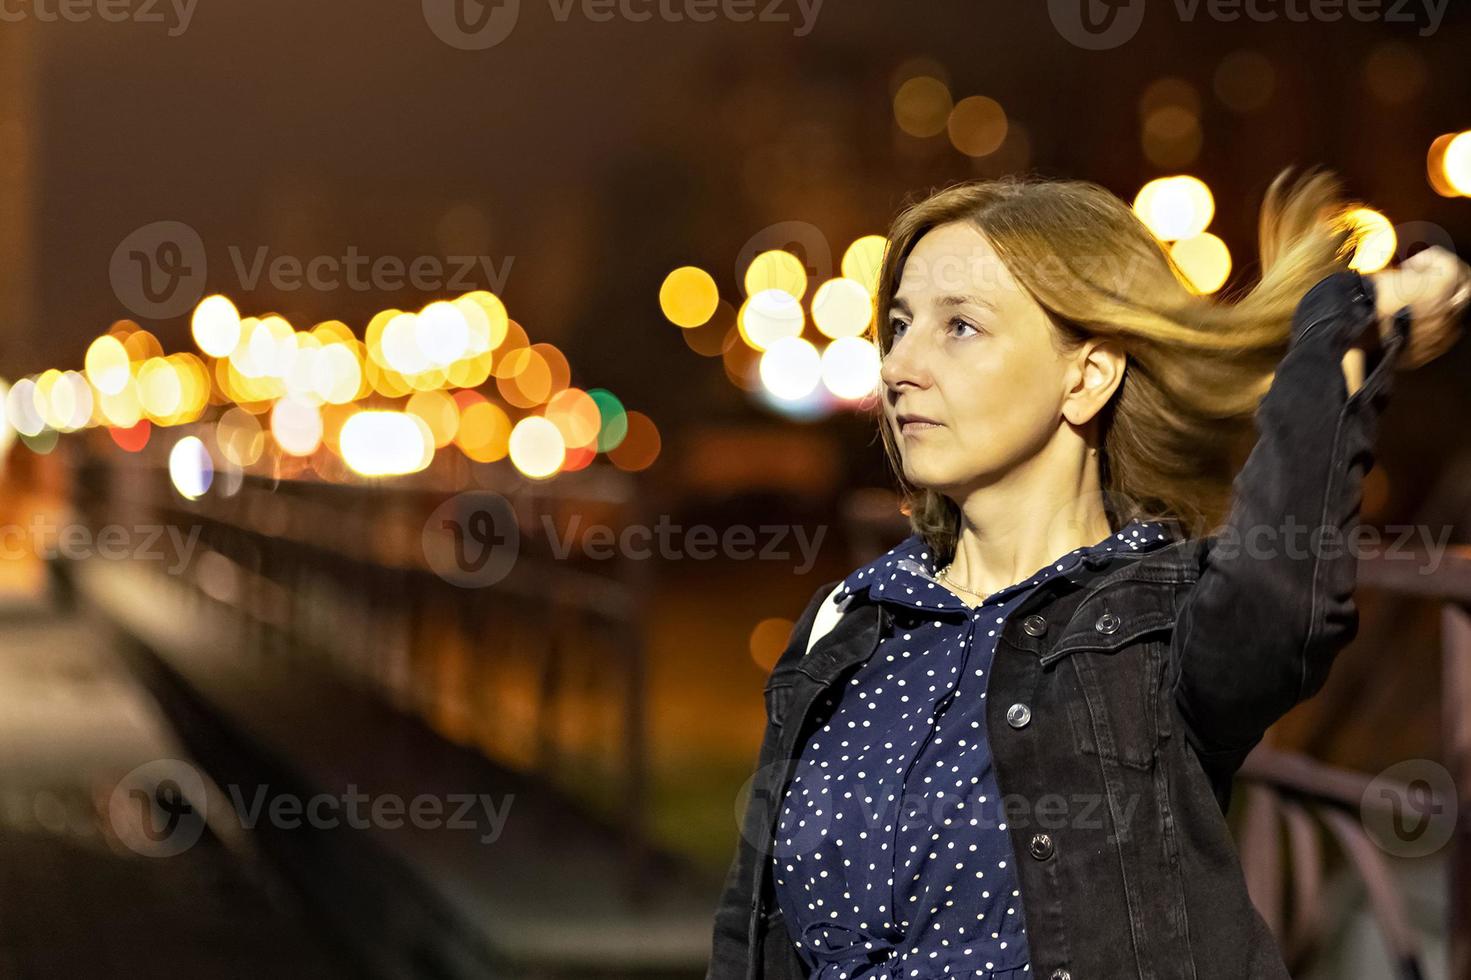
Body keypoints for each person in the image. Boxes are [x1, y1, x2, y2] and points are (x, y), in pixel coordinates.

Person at [707, 168, 1471, 979]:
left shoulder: (1162, 622)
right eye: (897, 327)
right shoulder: (848, 622)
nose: (899, 366)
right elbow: (747, 932)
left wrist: (1341, 329)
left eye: (959, 326)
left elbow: (1278, 592)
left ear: (1087, 376)